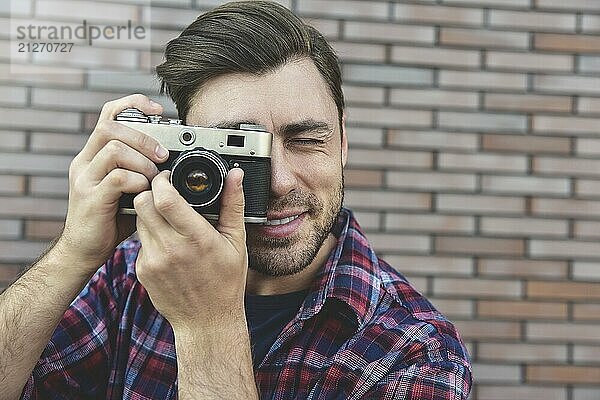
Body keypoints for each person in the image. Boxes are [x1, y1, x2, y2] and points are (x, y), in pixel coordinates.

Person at [0, 1, 472, 399]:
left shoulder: (416, 351)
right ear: (184, 154)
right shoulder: (130, 274)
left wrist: (208, 325)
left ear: (343, 140)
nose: (281, 181)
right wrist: (74, 253)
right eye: (240, 149)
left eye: (306, 141)